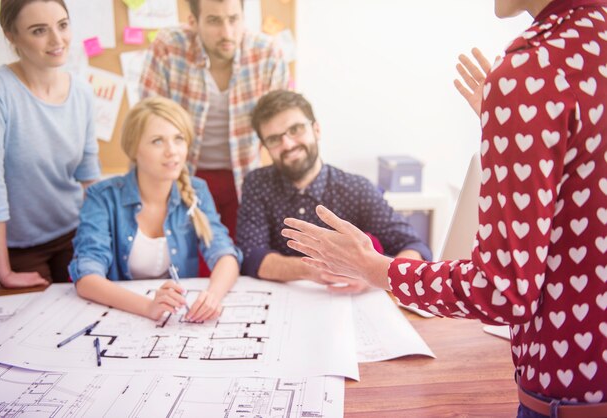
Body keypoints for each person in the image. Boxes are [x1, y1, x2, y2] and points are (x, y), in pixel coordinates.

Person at [282, 0, 607, 416]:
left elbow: (502, 287)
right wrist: (513, 131)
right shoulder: (583, 50)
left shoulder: (534, 72)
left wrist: (372, 268)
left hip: (570, 395)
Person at [237, 90, 432, 293]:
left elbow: (415, 247)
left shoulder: (357, 189)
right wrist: (311, 270)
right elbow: (251, 256)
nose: (288, 144)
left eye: (295, 129)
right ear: (265, 147)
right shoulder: (257, 184)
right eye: (274, 139)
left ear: (316, 129)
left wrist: (373, 276)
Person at [69, 97, 241, 322]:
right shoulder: (102, 197)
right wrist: (149, 307)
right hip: (124, 315)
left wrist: (212, 297)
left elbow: (225, 254)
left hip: (176, 319)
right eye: (157, 141)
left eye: (179, 139)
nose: (172, 151)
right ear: (134, 149)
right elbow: (87, 276)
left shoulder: (197, 190)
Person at [139, 0, 289, 242]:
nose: (227, 33)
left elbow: (280, 129)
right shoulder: (168, 47)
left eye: (233, 19)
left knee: (237, 261)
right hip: (180, 175)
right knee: (184, 262)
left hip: (242, 177)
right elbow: (148, 122)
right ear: (193, 21)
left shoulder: (268, 53)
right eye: (214, 21)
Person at [0, 0, 100, 288]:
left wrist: (99, 240)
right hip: (22, 247)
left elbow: (89, 178)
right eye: (38, 31)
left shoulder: (82, 92)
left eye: (62, 25)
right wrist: (4, 272)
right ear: (11, 35)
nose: (57, 40)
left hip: (76, 234)